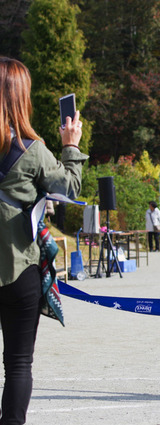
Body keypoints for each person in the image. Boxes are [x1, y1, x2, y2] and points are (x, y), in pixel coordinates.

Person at [0, 56, 87, 424]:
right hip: (18, 267)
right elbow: (68, 187)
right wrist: (71, 145)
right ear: (22, 97)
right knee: (18, 363)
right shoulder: (32, 150)